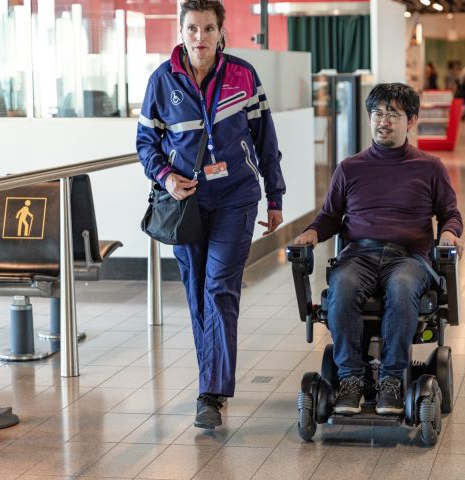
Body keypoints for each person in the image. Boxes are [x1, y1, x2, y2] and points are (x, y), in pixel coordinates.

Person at [136, 0, 286, 430]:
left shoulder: (243, 76)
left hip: (237, 197)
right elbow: (146, 142)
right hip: (187, 203)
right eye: (192, 29)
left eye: (208, 29)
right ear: (180, 31)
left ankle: (211, 393)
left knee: (220, 287)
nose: (200, 37)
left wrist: (274, 196)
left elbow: (265, 139)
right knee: (197, 289)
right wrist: (165, 177)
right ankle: (211, 383)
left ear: (222, 32)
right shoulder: (162, 82)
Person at [293, 83, 463, 416]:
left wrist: (449, 232)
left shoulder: (429, 167)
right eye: (377, 114)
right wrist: (311, 232)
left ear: (411, 121)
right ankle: (351, 380)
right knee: (342, 287)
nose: (383, 121)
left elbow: (450, 213)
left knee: (401, 289)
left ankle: (392, 380)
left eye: (393, 114)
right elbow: (330, 215)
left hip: (409, 258)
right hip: (359, 255)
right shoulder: (350, 168)